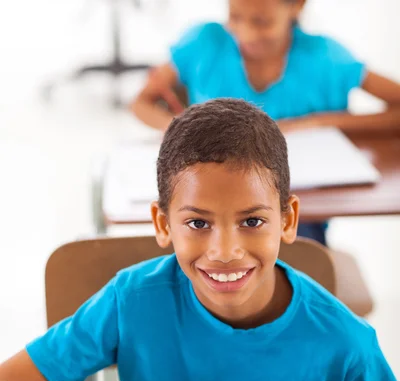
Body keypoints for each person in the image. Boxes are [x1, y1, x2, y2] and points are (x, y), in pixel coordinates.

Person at [0, 99, 398, 381]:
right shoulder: (130, 303)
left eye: (252, 221)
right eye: (198, 223)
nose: (225, 251)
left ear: (288, 219)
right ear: (161, 224)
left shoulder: (345, 338)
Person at [130, 0, 400, 245]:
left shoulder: (325, 56)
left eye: (261, 21)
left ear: (297, 7)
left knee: (291, 251)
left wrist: (319, 122)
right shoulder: (204, 42)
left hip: (302, 215)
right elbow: (141, 102)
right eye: (234, 17)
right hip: (208, 199)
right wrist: (183, 129)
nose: (245, 33)